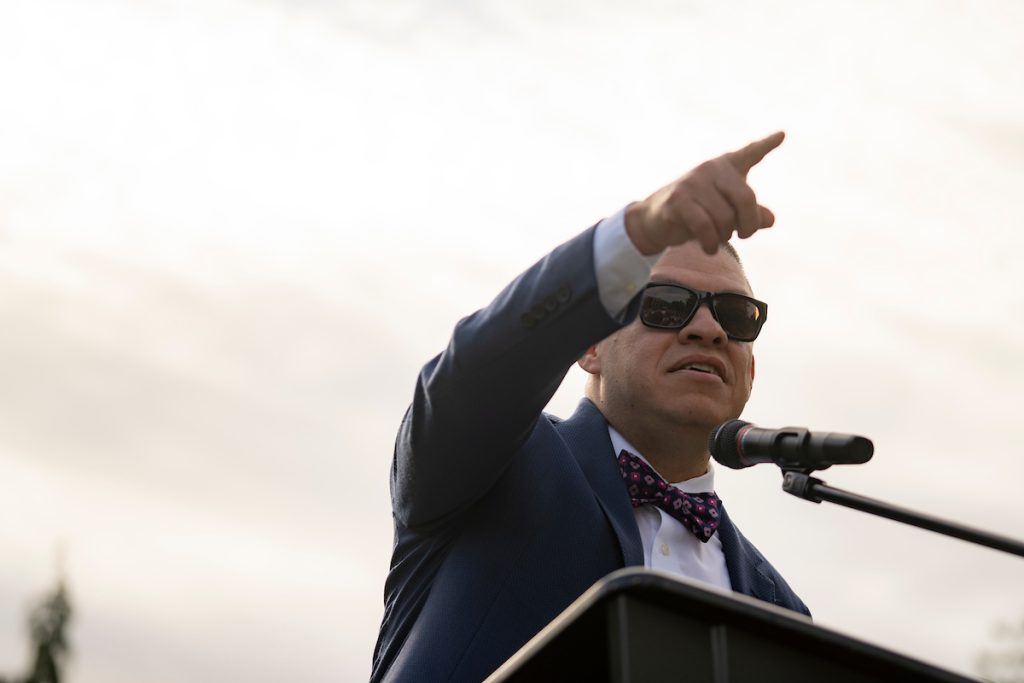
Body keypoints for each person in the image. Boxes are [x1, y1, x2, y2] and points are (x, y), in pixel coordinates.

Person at [371, 131, 809, 683]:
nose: (707, 329)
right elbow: (476, 373)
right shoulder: (499, 466)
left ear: (751, 367)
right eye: (667, 304)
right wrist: (639, 232)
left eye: (735, 315)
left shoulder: (782, 609)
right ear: (590, 344)